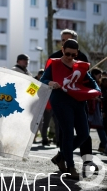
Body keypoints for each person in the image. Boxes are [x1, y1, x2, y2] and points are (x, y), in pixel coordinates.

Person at [40, 39, 100, 180]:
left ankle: (61, 156)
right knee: (67, 132)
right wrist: (51, 82)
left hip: (78, 102)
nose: (70, 57)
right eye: (67, 54)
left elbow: (92, 83)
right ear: (62, 50)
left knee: (84, 134)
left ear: (77, 53)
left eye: (74, 55)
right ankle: (70, 167)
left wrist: (96, 92)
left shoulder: (80, 67)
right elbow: (42, 80)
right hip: (60, 101)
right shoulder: (54, 64)